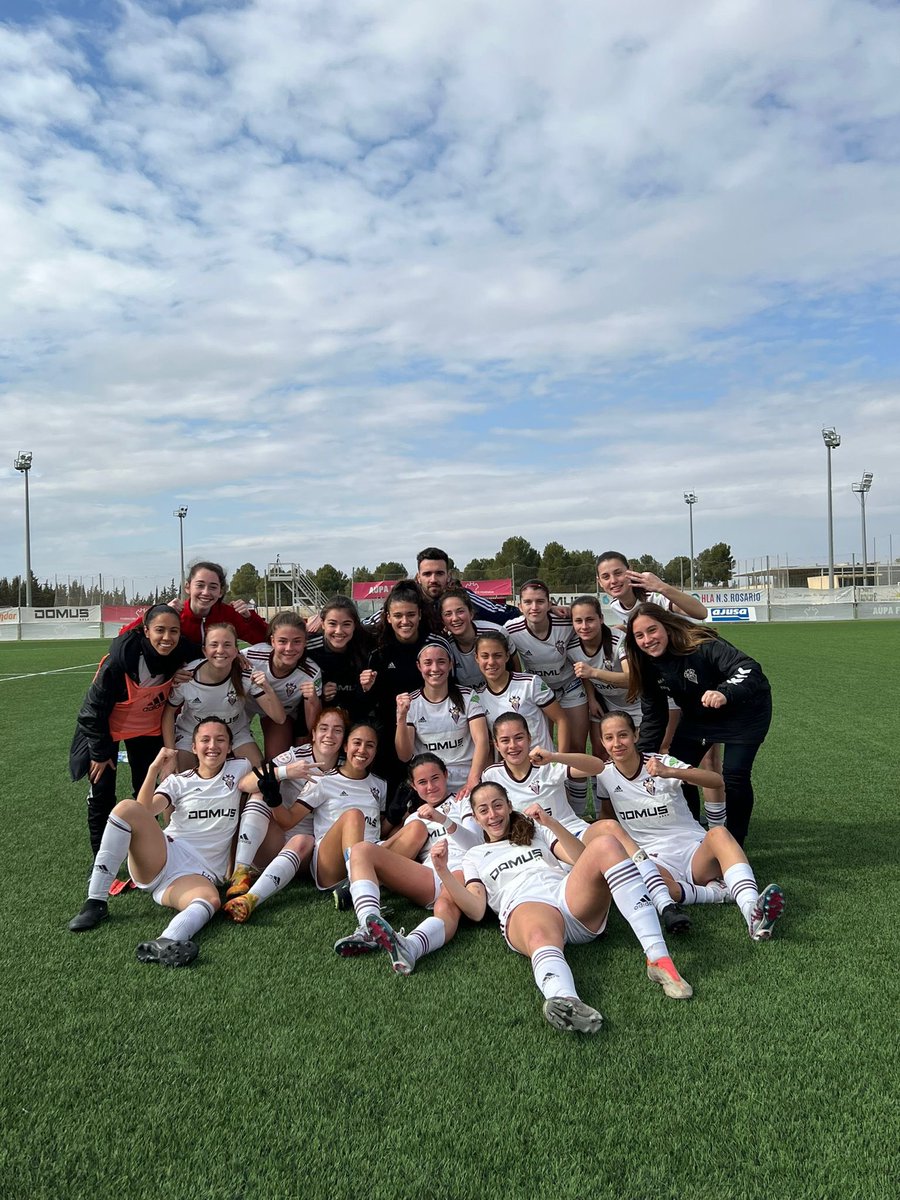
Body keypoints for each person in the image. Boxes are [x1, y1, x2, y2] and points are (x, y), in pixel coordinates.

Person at [433, 781, 693, 1035]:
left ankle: (658, 958)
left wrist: (551, 823)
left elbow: (581, 859)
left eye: (498, 805)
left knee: (606, 844)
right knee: (539, 935)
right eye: (484, 810)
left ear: (510, 806)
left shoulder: (535, 830)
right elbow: (477, 910)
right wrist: (443, 871)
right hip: (525, 905)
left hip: (566, 897)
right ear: (476, 818)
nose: (493, 815)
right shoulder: (474, 856)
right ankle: (565, 999)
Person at [66, 717, 261, 966]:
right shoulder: (179, 781)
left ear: (230, 746)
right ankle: (96, 901)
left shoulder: (239, 768)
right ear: (193, 747)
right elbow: (146, 811)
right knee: (127, 808)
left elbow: (260, 778)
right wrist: (154, 769)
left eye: (220, 739)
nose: (213, 745)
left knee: (210, 901)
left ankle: (164, 942)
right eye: (205, 740)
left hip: (199, 872)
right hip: (163, 854)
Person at [484, 712, 690, 932]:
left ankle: (665, 903)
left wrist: (554, 756)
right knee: (603, 877)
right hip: (535, 847)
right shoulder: (491, 776)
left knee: (609, 828)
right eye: (505, 740)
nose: (513, 746)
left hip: (571, 833)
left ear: (529, 738)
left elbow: (597, 767)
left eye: (519, 738)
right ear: (496, 745)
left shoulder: (546, 766)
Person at [594, 712, 784, 939]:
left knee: (719, 833)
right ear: (602, 742)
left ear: (636, 735)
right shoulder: (604, 775)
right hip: (654, 857)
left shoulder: (660, 762)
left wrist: (671, 772)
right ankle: (718, 893)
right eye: (609, 738)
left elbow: (716, 781)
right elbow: (607, 816)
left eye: (623, 735)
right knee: (651, 885)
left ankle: (751, 908)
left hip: (693, 851)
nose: (617, 743)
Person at [625, 604, 773, 845]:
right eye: (639, 636)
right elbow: (654, 715)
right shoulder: (646, 664)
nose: (648, 640)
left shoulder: (701, 644)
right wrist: (643, 754)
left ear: (667, 626)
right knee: (678, 769)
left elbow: (749, 668)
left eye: (652, 630)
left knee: (735, 775)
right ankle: (690, 832)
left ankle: (734, 842)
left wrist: (724, 692)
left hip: (746, 710)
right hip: (701, 714)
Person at [69, 604, 200, 856]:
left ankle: (143, 851)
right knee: (102, 794)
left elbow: (212, 654)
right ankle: (101, 859)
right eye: (160, 630)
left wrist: (237, 656)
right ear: (146, 630)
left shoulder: (182, 651)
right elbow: (90, 712)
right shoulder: (120, 661)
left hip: (147, 730)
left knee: (147, 791)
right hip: (105, 731)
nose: (167, 637)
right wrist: (99, 753)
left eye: (174, 631)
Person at [334, 753, 482, 971]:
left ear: (446, 775)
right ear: (413, 786)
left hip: (461, 869)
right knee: (362, 849)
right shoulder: (414, 818)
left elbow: (474, 844)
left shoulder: (464, 802)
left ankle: (411, 947)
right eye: (422, 782)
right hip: (428, 877)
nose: (430, 786)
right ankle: (368, 924)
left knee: (445, 905)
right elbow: (385, 850)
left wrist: (442, 819)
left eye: (435, 778)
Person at [225, 723, 387, 914]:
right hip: (332, 863)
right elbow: (285, 818)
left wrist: (395, 817)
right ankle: (358, 889)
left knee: (415, 828)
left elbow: (378, 830)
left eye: (370, 745)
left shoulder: (380, 784)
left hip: (370, 853)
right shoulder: (321, 778)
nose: (362, 750)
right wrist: (274, 799)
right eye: (357, 743)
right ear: (346, 746)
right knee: (353, 816)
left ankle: (364, 885)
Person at [504, 579, 590, 813]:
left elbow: (588, 616)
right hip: (540, 695)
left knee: (575, 750)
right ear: (519, 606)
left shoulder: (565, 621)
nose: (534, 607)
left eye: (540, 601)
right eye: (528, 602)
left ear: (549, 603)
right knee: (541, 749)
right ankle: (553, 803)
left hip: (569, 688)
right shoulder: (510, 629)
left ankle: (579, 813)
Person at [163, 623, 285, 771]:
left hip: (235, 732)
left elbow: (279, 718)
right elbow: (168, 713)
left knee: (261, 777)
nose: (220, 650)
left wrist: (268, 688)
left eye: (227, 645)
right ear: (204, 650)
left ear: (236, 650)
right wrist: (170, 754)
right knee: (184, 780)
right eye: (214, 645)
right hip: (191, 733)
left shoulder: (246, 674)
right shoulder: (187, 676)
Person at [364, 581, 436, 823]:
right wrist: (365, 687)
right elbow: (371, 698)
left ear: (419, 615)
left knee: (425, 789)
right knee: (392, 794)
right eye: (398, 616)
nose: (404, 621)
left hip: (428, 730)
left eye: (410, 615)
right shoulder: (379, 650)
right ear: (388, 617)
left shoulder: (433, 645)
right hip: (390, 732)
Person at [395, 637, 491, 799]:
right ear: (419, 666)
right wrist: (401, 717)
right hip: (430, 787)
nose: (435, 668)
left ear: (450, 664)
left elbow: (482, 741)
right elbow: (404, 755)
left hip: (465, 781)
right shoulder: (411, 702)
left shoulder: (467, 696)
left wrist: (472, 781)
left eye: (441, 662)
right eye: (428, 663)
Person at [120, 561, 269, 645]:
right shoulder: (174, 615)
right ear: (187, 587)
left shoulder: (229, 614)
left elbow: (267, 640)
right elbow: (123, 637)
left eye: (213, 587)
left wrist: (250, 618)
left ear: (221, 591)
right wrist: (156, 614)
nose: (206, 592)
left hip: (221, 683)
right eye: (200, 585)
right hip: (181, 687)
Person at [242, 612, 323, 758]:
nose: (289, 648)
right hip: (244, 708)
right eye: (282, 641)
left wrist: (313, 699)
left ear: (305, 642)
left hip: (280, 715)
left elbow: (312, 724)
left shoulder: (311, 673)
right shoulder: (251, 656)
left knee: (277, 761)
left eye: (297, 641)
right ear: (272, 641)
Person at [567, 593, 639, 753]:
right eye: (578, 621)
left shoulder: (620, 641)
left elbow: (632, 679)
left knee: (637, 752)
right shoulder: (572, 648)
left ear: (601, 618)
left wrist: (593, 672)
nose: (584, 626)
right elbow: (583, 674)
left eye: (590, 619)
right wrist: (592, 699)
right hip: (605, 702)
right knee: (599, 751)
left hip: (637, 704)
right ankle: (596, 780)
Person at [473, 629, 568, 749]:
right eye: (484, 656)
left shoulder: (530, 683)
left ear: (507, 656)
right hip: (509, 766)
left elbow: (561, 719)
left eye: (497, 655)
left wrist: (560, 761)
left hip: (543, 764)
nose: (491, 662)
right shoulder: (478, 698)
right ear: (476, 658)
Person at [306, 596, 373, 722]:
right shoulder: (308, 647)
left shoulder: (366, 646)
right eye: (332, 623)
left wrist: (365, 688)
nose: (339, 631)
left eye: (346, 624)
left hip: (358, 715)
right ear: (322, 624)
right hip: (321, 717)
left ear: (355, 625)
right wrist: (320, 694)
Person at [595, 552, 708, 624]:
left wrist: (662, 587)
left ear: (630, 570)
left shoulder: (654, 597)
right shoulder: (615, 606)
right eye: (606, 577)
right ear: (599, 582)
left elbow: (701, 613)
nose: (613, 581)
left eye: (618, 573)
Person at [438, 587, 505, 686]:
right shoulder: (446, 647)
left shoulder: (496, 632)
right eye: (448, 614)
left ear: (471, 613)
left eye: (460, 611)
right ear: (442, 620)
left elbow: (515, 670)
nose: (455, 618)